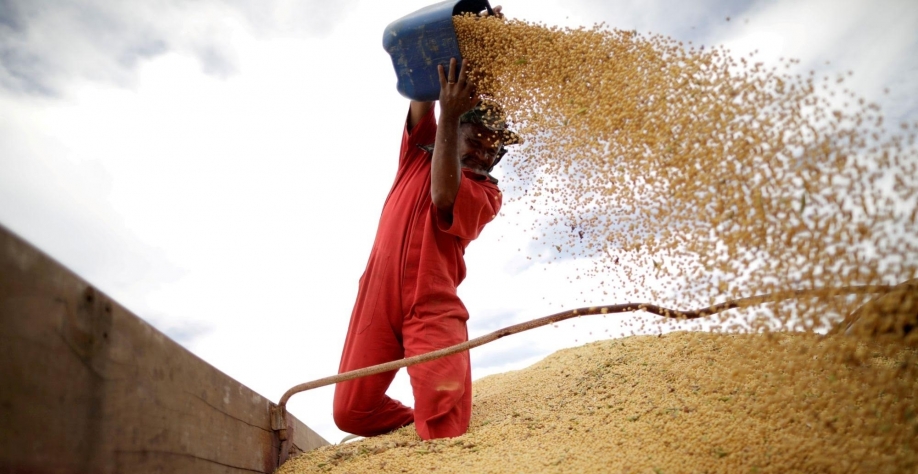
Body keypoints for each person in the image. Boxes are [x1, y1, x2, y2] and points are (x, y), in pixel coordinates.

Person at [332, 52, 519, 441]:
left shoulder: (487, 194)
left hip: (431, 304)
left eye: (493, 149)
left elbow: (443, 196)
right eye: (477, 139)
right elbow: (421, 93)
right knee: (350, 413)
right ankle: (414, 423)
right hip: (376, 296)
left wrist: (451, 116)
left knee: (444, 424)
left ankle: (435, 432)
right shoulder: (419, 153)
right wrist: (455, 46)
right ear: (454, 131)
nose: (484, 152)